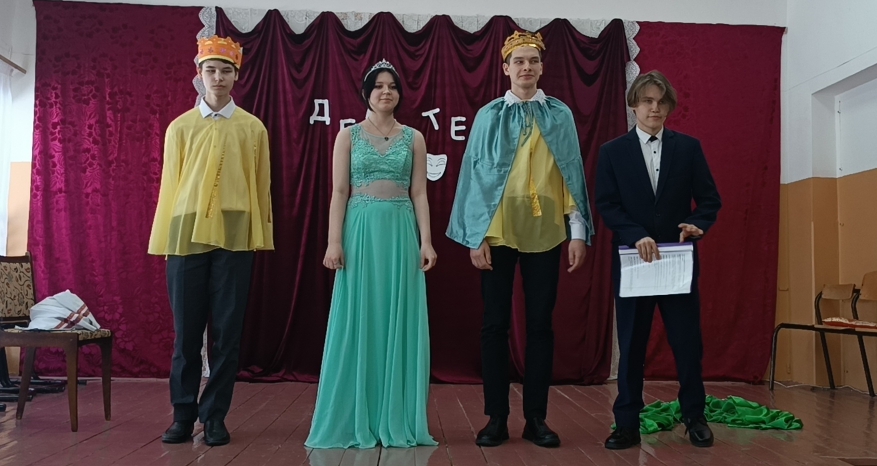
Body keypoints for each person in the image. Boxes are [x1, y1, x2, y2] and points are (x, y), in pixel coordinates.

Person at [447, 31, 593, 448]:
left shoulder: (559, 115)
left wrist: (577, 232)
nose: (526, 67)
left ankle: (536, 418)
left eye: (533, 60)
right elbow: (474, 175)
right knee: (494, 324)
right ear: (506, 68)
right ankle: (496, 417)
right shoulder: (489, 115)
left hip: (545, 233)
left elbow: (571, 172)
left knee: (540, 324)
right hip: (498, 231)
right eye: (519, 61)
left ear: (542, 68)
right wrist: (475, 236)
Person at [148, 35, 274, 447]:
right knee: (187, 334)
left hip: (235, 235)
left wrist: (259, 233)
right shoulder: (180, 127)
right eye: (211, 70)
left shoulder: (252, 128)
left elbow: (261, 185)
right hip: (186, 235)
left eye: (225, 71)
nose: (218, 77)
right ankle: (182, 415)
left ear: (236, 76)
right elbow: (170, 185)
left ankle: (215, 416)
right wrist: (166, 237)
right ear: (199, 75)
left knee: (227, 333)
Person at [305, 59, 437, 449]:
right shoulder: (347, 136)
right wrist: (334, 241)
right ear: (366, 93)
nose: (385, 92)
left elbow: (419, 193)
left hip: (400, 232)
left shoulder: (414, 137)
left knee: (398, 316)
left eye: (392, 86)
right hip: (359, 231)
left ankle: (396, 416)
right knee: (359, 316)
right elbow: (339, 192)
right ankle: (354, 415)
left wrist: (426, 241)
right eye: (378, 86)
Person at [594, 70, 721, 450]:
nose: (655, 108)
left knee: (687, 343)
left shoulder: (689, 148)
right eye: (648, 101)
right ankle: (627, 423)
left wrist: (697, 225)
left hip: (677, 260)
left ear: (669, 107)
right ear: (634, 105)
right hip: (634, 261)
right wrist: (636, 234)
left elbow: (710, 201)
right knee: (632, 345)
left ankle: (694, 417)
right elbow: (607, 204)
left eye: (662, 102)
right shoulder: (612, 152)